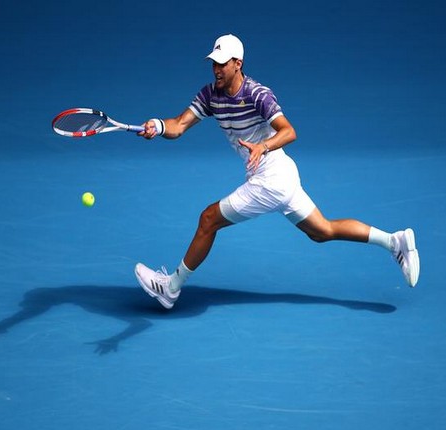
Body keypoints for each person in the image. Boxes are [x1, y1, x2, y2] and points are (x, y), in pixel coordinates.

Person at [134, 34, 420, 309]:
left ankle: (170, 288)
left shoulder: (258, 94)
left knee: (208, 219)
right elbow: (180, 124)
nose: (216, 69)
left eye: (222, 63)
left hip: (271, 178)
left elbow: (289, 131)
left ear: (238, 63)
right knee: (322, 231)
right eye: (214, 62)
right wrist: (158, 126)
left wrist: (263, 146)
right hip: (279, 176)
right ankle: (393, 241)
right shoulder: (211, 95)